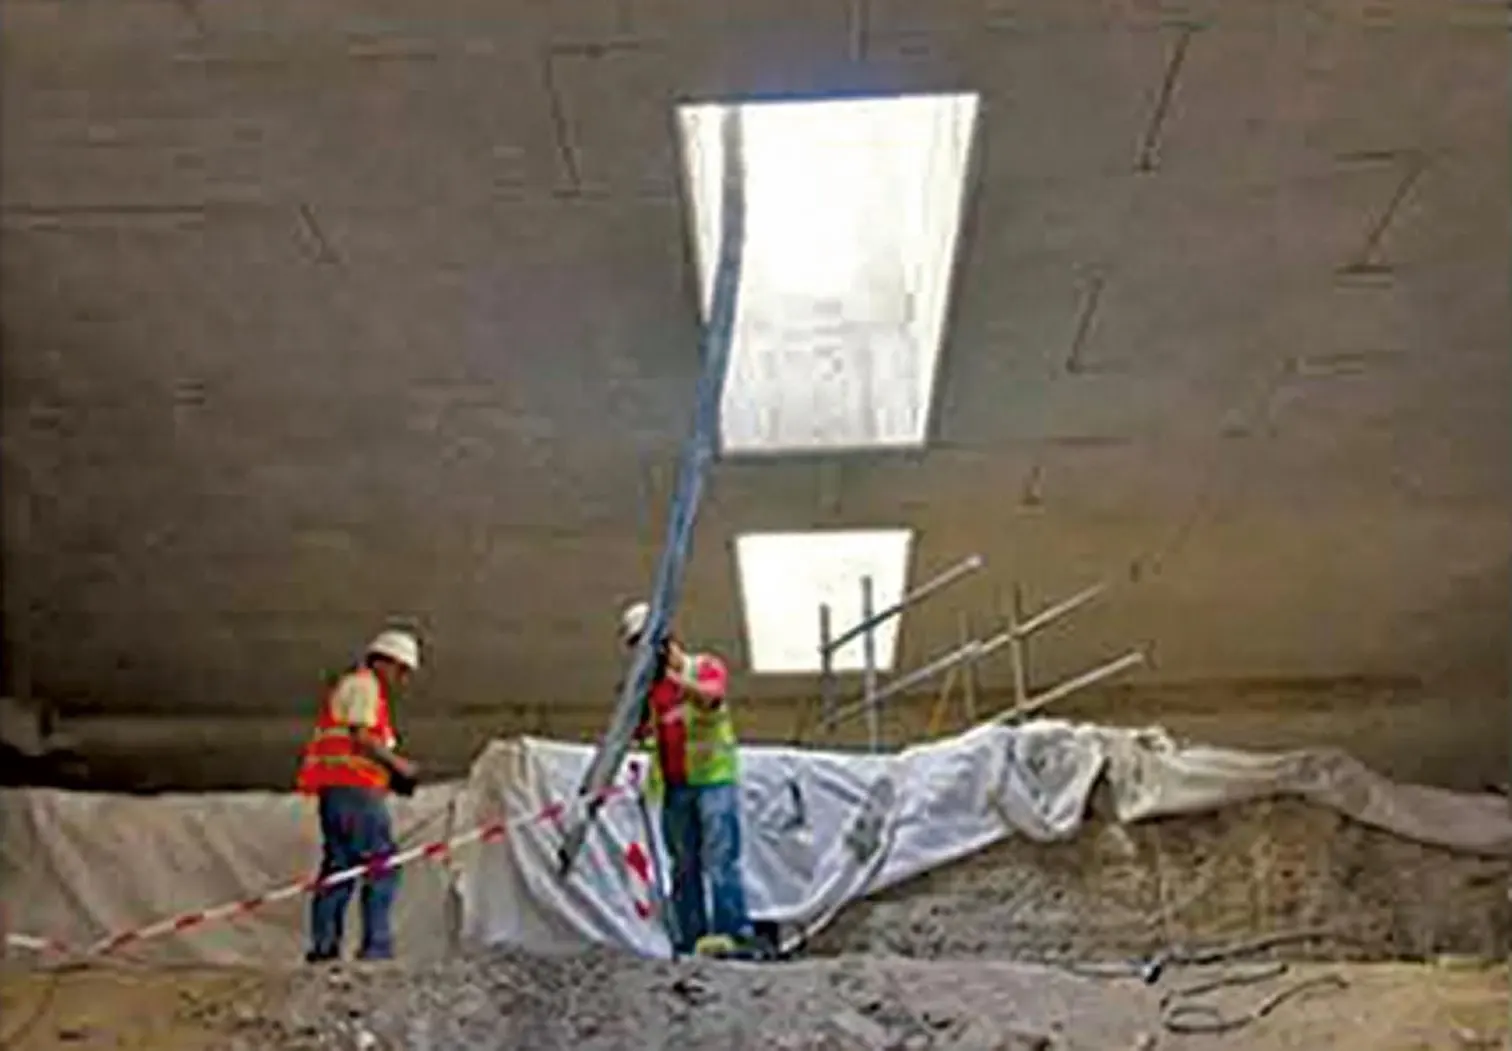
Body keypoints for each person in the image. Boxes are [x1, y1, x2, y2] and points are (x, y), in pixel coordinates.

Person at [619, 601, 755, 956]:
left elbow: (712, 698)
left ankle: (733, 936)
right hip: (675, 788)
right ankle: (691, 939)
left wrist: (674, 678)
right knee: (683, 866)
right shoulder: (654, 694)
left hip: (713, 781)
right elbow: (644, 733)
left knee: (720, 860)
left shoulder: (705, 667)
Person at [295, 628, 422, 963]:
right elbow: (362, 738)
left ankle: (325, 949)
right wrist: (402, 767)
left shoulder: (354, 687)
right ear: (384, 662)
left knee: (340, 867)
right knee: (382, 864)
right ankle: (376, 949)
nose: (402, 678)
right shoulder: (365, 686)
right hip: (355, 791)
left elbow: (354, 745)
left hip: (337, 790)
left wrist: (389, 777)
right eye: (401, 669)